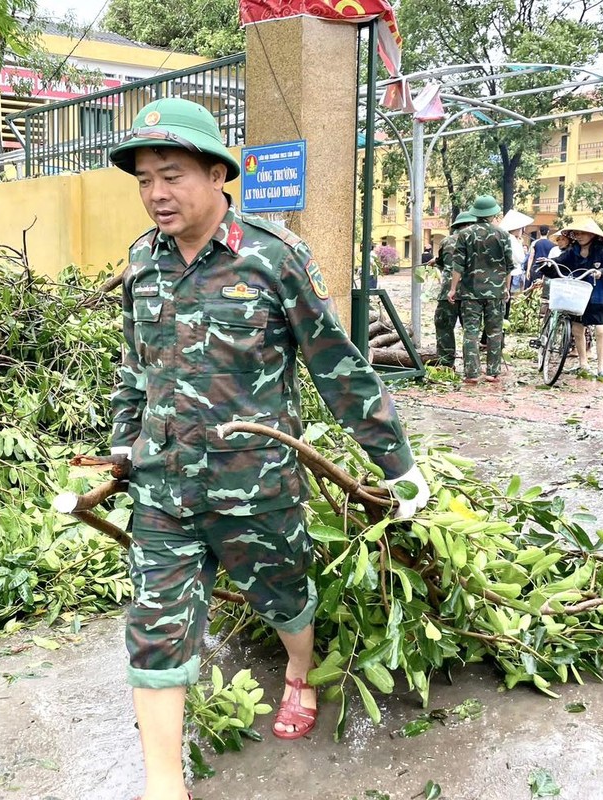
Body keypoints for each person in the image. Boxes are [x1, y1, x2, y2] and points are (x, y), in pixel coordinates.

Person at [106, 98, 432, 800]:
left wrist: (397, 463)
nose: (156, 193)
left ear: (218, 173)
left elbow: (338, 367)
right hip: (163, 486)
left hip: (256, 484)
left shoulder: (273, 255)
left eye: (171, 174)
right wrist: (119, 451)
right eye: (143, 179)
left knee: (283, 594)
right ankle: (164, 785)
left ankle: (296, 674)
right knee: (154, 627)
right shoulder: (141, 261)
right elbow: (135, 368)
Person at [539, 219, 603, 380]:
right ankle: (583, 363)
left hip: (599, 296)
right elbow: (559, 264)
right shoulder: (572, 251)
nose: (579, 236)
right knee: (578, 329)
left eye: (582, 233)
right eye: (576, 233)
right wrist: (546, 264)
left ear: (592, 235)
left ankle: (602, 366)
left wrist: (602, 273)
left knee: (600, 331)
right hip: (577, 296)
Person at [447, 195, 511, 385]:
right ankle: (492, 372)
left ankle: (472, 373)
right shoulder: (503, 235)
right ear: (493, 214)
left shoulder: (465, 235)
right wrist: (506, 288)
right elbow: (509, 266)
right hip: (496, 292)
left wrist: (452, 289)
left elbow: (457, 266)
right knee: (494, 332)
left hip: (470, 292)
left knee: (471, 332)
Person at [433, 212, 475, 369]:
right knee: (470, 329)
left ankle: (446, 363)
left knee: (444, 326)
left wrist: (436, 262)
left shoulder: (447, 241)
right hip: (471, 293)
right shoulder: (475, 241)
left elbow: (443, 263)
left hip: (447, 292)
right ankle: (471, 366)